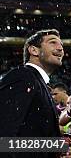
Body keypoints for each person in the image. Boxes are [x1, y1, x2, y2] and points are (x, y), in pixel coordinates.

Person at [0, 29, 64, 158]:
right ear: (34, 50)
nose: (60, 48)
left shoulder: (38, 83)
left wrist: (56, 147)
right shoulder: (23, 77)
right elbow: (5, 141)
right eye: (53, 43)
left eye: (61, 45)